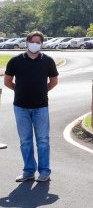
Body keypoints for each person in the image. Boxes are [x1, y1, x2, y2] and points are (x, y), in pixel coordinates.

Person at [4, 31, 59, 182]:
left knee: (42, 140)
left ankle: (44, 171)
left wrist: (42, 90)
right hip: (21, 107)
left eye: (38, 42)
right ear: (26, 42)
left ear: (42, 44)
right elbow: (7, 81)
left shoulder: (47, 61)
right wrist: (20, 90)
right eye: (33, 41)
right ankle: (28, 171)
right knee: (25, 141)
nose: (35, 44)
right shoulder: (15, 61)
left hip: (41, 106)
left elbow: (54, 81)